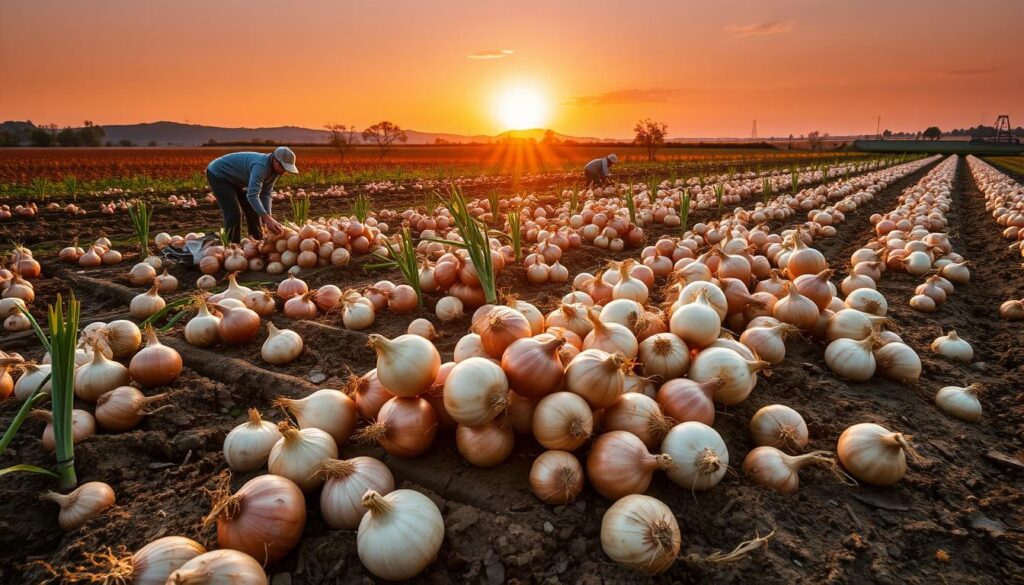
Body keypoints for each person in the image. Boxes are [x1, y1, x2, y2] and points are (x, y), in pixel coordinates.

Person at [205, 147, 299, 243]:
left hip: (234, 178)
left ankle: (257, 241)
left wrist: (268, 217)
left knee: (253, 209)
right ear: (275, 160)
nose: (284, 171)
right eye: (283, 167)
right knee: (234, 213)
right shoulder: (261, 167)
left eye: (286, 169)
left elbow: (266, 193)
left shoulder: (276, 171)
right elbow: (252, 195)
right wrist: (266, 218)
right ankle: (232, 247)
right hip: (218, 174)